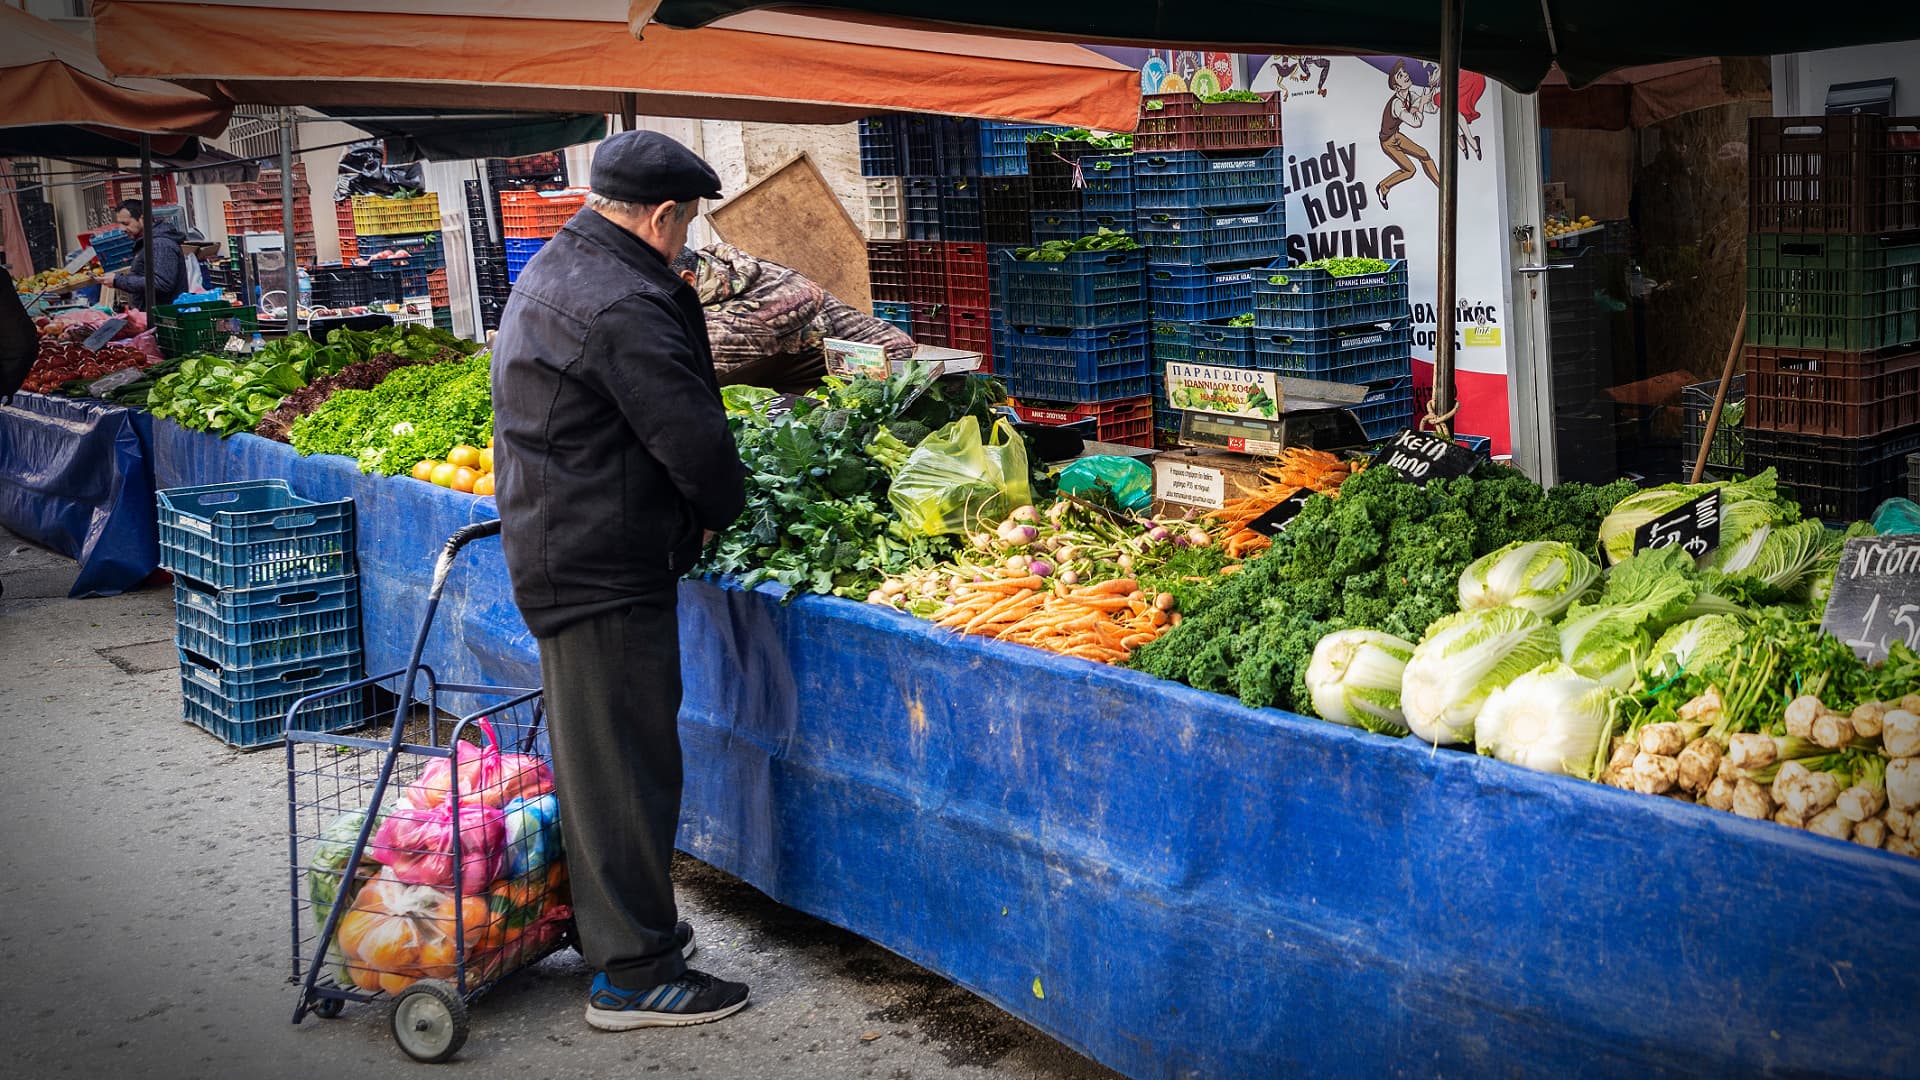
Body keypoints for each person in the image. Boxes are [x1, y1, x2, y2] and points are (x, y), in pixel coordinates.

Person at [489, 131, 750, 1032]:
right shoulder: (619, 299)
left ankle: (626, 935)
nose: (685, 242)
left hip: (575, 544)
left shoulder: (564, 263)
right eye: (686, 225)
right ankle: (634, 976)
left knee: (606, 762)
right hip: (601, 560)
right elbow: (696, 442)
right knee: (625, 769)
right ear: (662, 214)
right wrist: (717, 508)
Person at [670, 242, 915, 394]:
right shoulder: (724, 268)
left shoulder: (731, 327)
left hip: (889, 378)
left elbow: (686, 389)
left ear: (688, 280)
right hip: (826, 370)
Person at [1375, 60, 1441, 210]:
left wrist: (1431, 91)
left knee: (1424, 154)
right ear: (1396, 86)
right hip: (1387, 142)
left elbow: (1431, 109)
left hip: (1396, 136)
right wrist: (1422, 104)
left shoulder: (1411, 95)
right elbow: (1416, 122)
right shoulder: (1396, 104)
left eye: (1404, 72)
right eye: (1400, 75)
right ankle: (1383, 187)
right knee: (1410, 170)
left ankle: (1442, 186)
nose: (1405, 75)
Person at [99, 200, 187, 309]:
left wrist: (118, 280)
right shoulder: (147, 243)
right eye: (120, 224)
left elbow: (161, 283)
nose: (121, 229)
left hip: (163, 317)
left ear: (142, 219)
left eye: (126, 223)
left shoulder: (161, 245)